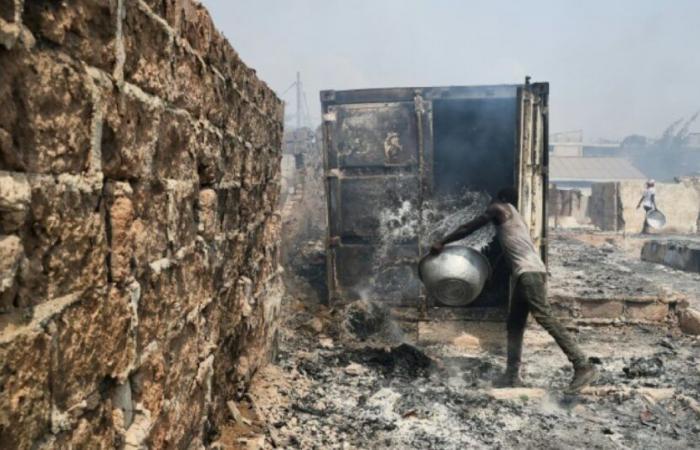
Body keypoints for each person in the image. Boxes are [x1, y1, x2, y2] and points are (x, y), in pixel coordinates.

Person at [430, 187, 597, 393]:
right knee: (515, 325)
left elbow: (468, 228)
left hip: (529, 274)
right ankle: (511, 375)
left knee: (545, 317)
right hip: (524, 274)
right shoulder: (514, 217)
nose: (488, 206)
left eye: (489, 202)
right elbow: (508, 252)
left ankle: (582, 364)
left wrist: (442, 242)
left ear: (498, 199)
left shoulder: (498, 208)